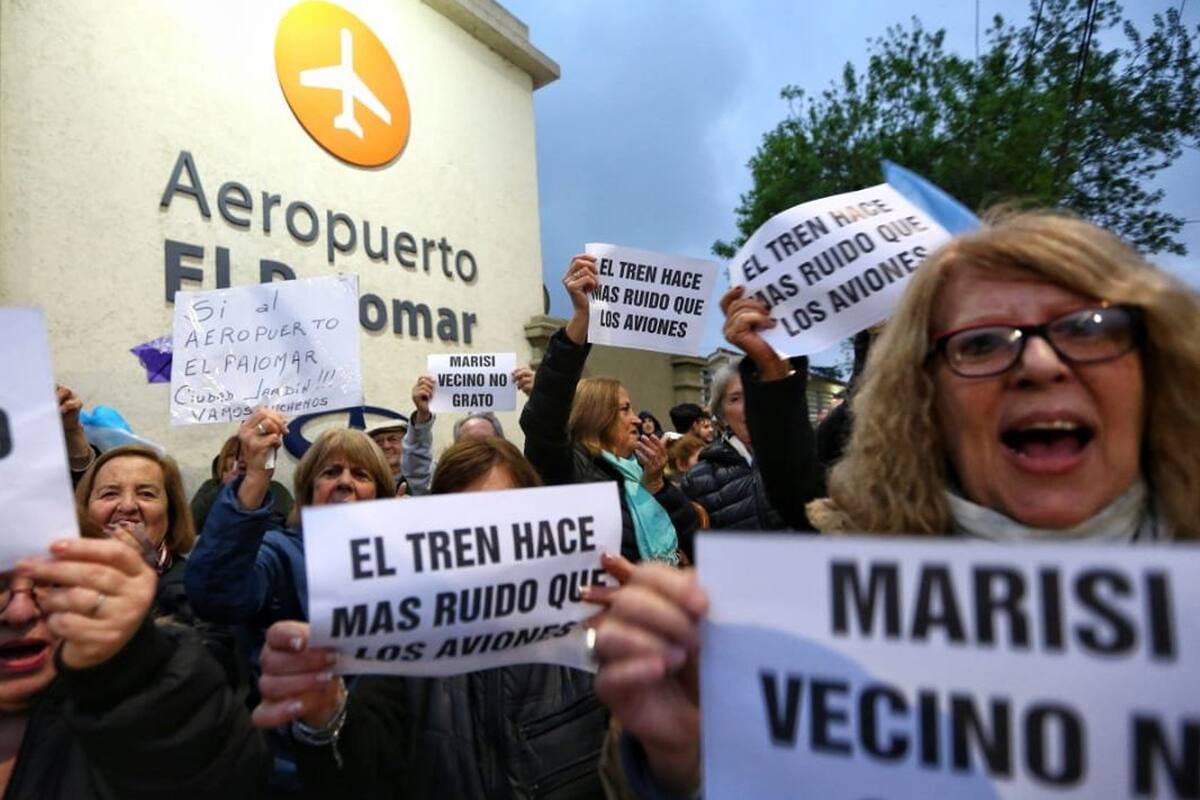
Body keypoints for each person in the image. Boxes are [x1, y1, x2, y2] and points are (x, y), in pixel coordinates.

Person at [590, 210, 1200, 795]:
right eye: (982, 344)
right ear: (927, 399)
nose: (1040, 364)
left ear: (1155, 366)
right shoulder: (853, 587)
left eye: (1087, 328)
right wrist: (690, 764)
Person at [249, 437, 615, 798]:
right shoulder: (404, 651)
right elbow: (359, 778)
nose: (484, 539)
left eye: (502, 516)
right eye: (461, 524)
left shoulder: (591, 637)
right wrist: (325, 716)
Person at [185, 415, 394, 794]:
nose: (345, 481)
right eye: (331, 472)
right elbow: (215, 592)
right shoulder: (279, 552)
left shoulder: (405, 564)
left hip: (386, 765)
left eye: (361, 474)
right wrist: (254, 478)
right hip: (292, 771)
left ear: (380, 495)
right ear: (308, 492)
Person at [0, 537, 267, 798]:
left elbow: (210, 775)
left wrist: (138, 673)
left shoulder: (149, 693)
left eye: (51, 581)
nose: (20, 613)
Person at [521, 254, 699, 565]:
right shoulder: (568, 468)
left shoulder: (640, 472)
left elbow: (696, 543)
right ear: (596, 415)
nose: (636, 419)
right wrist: (583, 319)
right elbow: (545, 418)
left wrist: (658, 486)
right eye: (624, 409)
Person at [74, 445, 197, 623]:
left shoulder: (199, 590)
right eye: (109, 494)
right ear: (85, 509)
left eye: (146, 494)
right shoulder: (52, 586)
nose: (128, 506)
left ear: (171, 510)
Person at [679, 363, 805, 532]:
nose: (749, 406)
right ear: (722, 414)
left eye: (756, 393)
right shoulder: (697, 480)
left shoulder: (802, 459)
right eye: (735, 398)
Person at [190, 436, 294, 536]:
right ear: (223, 461)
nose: (240, 459)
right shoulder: (211, 486)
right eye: (232, 455)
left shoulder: (275, 489)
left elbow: (294, 525)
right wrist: (223, 488)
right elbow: (191, 524)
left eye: (247, 454)